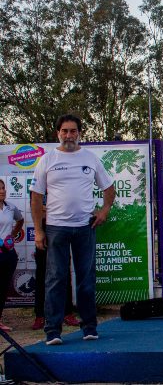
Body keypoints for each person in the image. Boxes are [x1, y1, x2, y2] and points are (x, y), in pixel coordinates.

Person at [30, 114, 115, 345]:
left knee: (86, 279)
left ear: (79, 133)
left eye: (73, 131)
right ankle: (53, 332)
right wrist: (38, 230)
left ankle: (89, 327)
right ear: (58, 133)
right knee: (56, 279)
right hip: (56, 228)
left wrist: (104, 211)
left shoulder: (91, 158)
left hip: (85, 227)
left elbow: (109, 188)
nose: (69, 135)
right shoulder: (47, 160)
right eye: (65, 131)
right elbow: (36, 197)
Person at [31, 193, 81, 331]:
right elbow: (37, 209)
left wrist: (49, 209)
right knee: (42, 274)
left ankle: (67, 313)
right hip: (44, 232)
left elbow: (67, 207)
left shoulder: (62, 184)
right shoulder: (38, 186)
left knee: (64, 272)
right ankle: (40, 315)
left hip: (62, 230)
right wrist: (55, 209)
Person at [0, 179, 22, 331]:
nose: (2, 191)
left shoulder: (11, 207)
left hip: (8, 254)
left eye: (3, 188)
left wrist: (12, 235)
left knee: (3, 287)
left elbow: (20, 220)